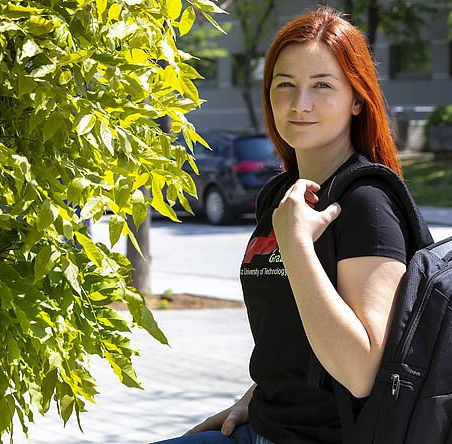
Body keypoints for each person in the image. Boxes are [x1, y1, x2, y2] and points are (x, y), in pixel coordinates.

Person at [151, 7, 410, 444]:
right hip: (262, 426)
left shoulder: (366, 202)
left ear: (357, 99)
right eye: (284, 85)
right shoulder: (278, 194)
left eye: (322, 86)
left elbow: (361, 372)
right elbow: (293, 346)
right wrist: (252, 398)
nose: (299, 103)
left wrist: (297, 246)